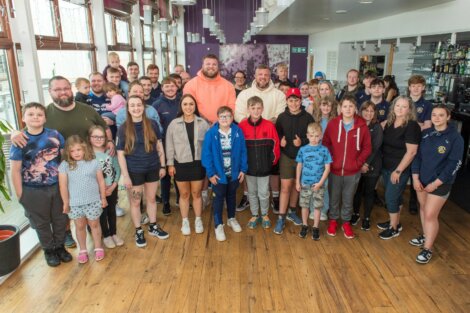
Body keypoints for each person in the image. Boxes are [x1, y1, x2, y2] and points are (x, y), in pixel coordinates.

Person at [10, 75, 114, 248]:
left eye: (66, 88)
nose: (63, 92)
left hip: (90, 166)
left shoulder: (87, 110)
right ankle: (67, 233)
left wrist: (109, 141)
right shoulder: (46, 113)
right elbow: (29, 129)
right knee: (66, 205)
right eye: (57, 89)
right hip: (62, 170)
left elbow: (104, 128)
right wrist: (14, 133)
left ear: (71, 88)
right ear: (50, 92)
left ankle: (94, 230)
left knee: (92, 201)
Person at [10, 102, 72, 267]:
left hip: (57, 187)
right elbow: (15, 170)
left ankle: (60, 247)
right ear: (23, 118)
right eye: (31, 114)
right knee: (41, 223)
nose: (35, 117)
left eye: (39, 114)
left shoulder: (55, 135)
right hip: (32, 190)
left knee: (60, 219)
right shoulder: (20, 140)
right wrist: (20, 194)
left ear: (45, 118)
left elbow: (64, 159)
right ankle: (49, 250)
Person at [410, 104, 464, 264]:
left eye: (441, 115)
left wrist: (436, 183)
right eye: (434, 115)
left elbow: (454, 164)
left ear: (448, 117)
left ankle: (428, 248)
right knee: (423, 209)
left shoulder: (456, 138)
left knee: (430, 214)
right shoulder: (426, 133)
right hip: (422, 180)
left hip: (441, 183)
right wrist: (415, 177)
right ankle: (425, 236)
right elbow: (417, 157)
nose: (437, 118)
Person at [117, 95, 169, 247]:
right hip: (134, 171)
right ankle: (138, 230)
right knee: (135, 202)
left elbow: (159, 146)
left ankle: (153, 226)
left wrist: (162, 165)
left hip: (152, 168)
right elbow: (120, 154)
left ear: (143, 107)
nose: (136, 108)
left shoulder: (152, 124)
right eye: (132, 106)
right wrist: (125, 176)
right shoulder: (123, 128)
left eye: (138, 105)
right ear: (128, 109)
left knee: (152, 199)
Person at [234, 65, 286, 213]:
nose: (263, 77)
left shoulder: (279, 95)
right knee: (248, 169)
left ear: (270, 76)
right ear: (255, 76)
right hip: (248, 137)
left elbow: (279, 115)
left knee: (273, 170)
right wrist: (252, 123)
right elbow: (239, 113)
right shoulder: (245, 94)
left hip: (270, 137)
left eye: (266, 74)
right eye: (260, 74)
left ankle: (275, 197)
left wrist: (263, 123)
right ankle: (247, 197)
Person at [322, 95, 372, 239]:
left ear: (355, 108)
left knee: (349, 198)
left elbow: (367, 148)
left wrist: (358, 163)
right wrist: (331, 161)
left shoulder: (361, 126)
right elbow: (326, 143)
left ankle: (346, 222)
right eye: (345, 106)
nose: (348, 109)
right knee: (334, 197)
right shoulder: (333, 124)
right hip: (335, 170)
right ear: (340, 108)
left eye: (351, 106)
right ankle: (333, 221)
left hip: (353, 171)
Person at [165, 94, 210, 235]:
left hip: (198, 164)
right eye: (185, 104)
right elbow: (169, 145)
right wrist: (170, 164)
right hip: (181, 164)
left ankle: (198, 219)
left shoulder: (203, 123)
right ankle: (185, 221)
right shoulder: (174, 124)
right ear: (181, 106)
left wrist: (209, 164)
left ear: (195, 106)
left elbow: (208, 146)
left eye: (191, 104)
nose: (188, 107)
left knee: (196, 194)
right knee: (184, 194)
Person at [58, 135, 107, 263]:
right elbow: (62, 185)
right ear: (68, 152)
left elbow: (101, 181)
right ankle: (83, 250)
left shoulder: (93, 162)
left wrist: (103, 197)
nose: (76, 153)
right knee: (79, 226)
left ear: (84, 148)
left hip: (93, 201)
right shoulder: (64, 165)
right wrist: (65, 203)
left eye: (78, 150)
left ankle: (98, 247)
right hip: (75, 203)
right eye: (72, 151)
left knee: (94, 224)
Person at [201, 106, 248, 242]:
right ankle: (218, 224)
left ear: (232, 118)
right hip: (218, 175)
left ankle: (231, 218)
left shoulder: (238, 131)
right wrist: (210, 173)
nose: (225, 119)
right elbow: (206, 155)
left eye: (228, 116)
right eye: (222, 116)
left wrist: (243, 170)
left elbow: (244, 152)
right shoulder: (211, 133)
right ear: (218, 118)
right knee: (218, 199)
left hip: (233, 173)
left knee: (231, 196)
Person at [377, 96, 420, 239]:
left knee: (390, 198)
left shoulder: (411, 125)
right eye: (397, 106)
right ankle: (394, 222)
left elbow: (412, 152)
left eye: (404, 106)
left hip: (399, 169)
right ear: (393, 107)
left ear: (409, 109)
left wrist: (398, 170)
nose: (400, 109)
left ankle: (393, 228)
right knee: (396, 197)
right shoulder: (389, 123)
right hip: (386, 166)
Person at [273, 88, 314, 234]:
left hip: (302, 157)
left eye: (296, 100)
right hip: (287, 156)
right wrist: (280, 142)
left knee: (298, 185)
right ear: (287, 101)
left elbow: (312, 136)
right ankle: (281, 217)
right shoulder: (282, 117)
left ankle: (291, 211)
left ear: (301, 101)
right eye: (291, 100)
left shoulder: (308, 117)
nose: (294, 103)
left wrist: (302, 141)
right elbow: (276, 135)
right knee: (285, 187)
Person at [239, 96, 280, 229]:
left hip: (264, 168)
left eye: (258, 108)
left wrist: (271, 163)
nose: (256, 111)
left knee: (263, 193)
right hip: (249, 168)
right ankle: (255, 214)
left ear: (262, 109)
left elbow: (276, 145)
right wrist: (242, 165)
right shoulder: (242, 126)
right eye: (253, 108)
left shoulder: (269, 126)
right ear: (248, 109)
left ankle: (264, 214)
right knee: (252, 192)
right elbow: (238, 148)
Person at [88, 125, 123, 249]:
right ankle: (106, 235)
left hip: (111, 188)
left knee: (111, 211)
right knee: (101, 212)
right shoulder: (88, 155)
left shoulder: (110, 151)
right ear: (89, 138)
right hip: (96, 191)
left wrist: (113, 186)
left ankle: (114, 233)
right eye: (95, 136)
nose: (98, 139)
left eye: (101, 137)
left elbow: (117, 170)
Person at [295, 123, 331, 240]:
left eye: (316, 136)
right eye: (311, 136)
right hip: (305, 183)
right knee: (304, 205)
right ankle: (305, 225)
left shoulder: (324, 150)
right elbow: (299, 166)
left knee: (317, 206)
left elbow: (327, 168)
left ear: (320, 136)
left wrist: (320, 183)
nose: (314, 138)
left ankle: (315, 227)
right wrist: (297, 182)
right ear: (307, 136)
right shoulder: (303, 150)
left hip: (318, 185)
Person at [351, 101, 383, 231]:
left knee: (369, 192)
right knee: (357, 191)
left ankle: (367, 217)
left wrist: (366, 163)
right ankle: (356, 213)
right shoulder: (356, 124)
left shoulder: (377, 127)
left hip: (372, 165)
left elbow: (374, 148)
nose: (368, 113)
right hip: (357, 164)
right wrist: (358, 163)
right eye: (366, 110)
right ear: (360, 111)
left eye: (371, 111)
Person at [152, 77, 181, 215]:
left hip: (181, 144)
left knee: (179, 172)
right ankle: (165, 202)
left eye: (173, 86)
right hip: (163, 144)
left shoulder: (183, 102)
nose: (170, 88)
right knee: (165, 175)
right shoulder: (156, 105)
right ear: (162, 88)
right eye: (167, 86)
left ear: (177, 87)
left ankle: (180, 199)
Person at [183, 54, 236, 124]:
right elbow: (189, 107)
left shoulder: (229, 86)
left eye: (214, 64)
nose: (211, 66)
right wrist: (205, 122)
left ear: (218, 67)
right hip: (197, 125)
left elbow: (231, 107)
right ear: (202, 66)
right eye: (208, 64)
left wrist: (219, 123)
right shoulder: (190, 85)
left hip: (223, 126)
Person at [407, 75, 432, 215]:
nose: (416, 88)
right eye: (413, 85)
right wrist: (418, 124)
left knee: (415, 172)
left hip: (419, 143)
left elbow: (427, 126)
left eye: (419, 86)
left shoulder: (427, 105)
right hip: (402, 142)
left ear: (423, 88)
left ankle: (413, 201)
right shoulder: (404, 102)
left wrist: (411, 125)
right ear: (409, 87)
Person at [312, 95, 337, 220]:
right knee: (314, 182)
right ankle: (313, 208)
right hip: (316, 157)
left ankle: (323, 209)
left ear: (332, 106)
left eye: (328, 105)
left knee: (326, 185)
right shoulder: (315, 120)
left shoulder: (336, 121)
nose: (326, 107)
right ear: (319, 106)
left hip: (329, 157)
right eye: (323, 105)